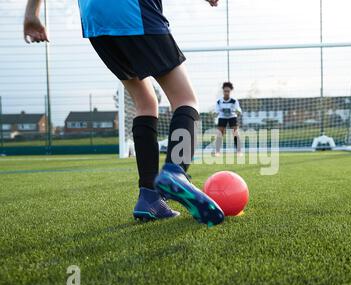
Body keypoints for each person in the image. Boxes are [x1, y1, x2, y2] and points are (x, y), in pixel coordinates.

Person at [23, 0, 224, 226]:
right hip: (132, 10)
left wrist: (31, 13)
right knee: (185, 99)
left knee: (145, 101)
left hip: (95, 20)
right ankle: (176, 171)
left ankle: (150, 198)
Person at [215, 82, 242, 156]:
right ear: (223, 91)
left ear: (230, 91)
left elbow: (239, 111)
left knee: (235, 133)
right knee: (220, 133)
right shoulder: (219, 101)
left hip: (232, 117)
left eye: (228, 91)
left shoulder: (234, 101)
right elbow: (216, 111)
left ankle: (239, 151)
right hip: (222, 117)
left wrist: (237, 111)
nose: (226, 93)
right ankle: (217, 152)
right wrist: (218, 113)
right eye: (225, 91)